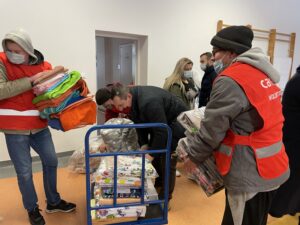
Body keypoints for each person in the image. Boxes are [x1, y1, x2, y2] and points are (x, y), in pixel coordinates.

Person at [184, 25, 290, 225]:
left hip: (250, 171)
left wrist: (193, 156)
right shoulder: (262, 73)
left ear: (230, 52)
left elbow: (212, 130)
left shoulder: (231, 80)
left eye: (215, 52)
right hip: (272, 164)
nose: (212, 58)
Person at [0, 28, 76, 225]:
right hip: (14, 128)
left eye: (18, 51)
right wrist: (31, 80)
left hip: (39, 126)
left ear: (28, 50)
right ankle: (32, 209)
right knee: (24, 172)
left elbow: (50, 93)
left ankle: (53, 201)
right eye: (9, 50)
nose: (13, 54)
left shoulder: (45, 65)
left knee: (51, 161)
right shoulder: (1, 62)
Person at [109, 84, 187, 204]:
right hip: (163, 124)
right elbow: (139, 124)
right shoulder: (133, 99)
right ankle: (159, 181)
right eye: (117, 106)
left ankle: (165, 199)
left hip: (178, 123)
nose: (120, 109)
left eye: (121, 105)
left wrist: (150, 155)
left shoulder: (149, 102)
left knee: (167, 159)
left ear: (128, 96)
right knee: (154, 151)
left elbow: (162, 131)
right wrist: (144, 144)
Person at [269, 65, 300, 220]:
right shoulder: (298, 82)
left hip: (292, 138)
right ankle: (278, 209)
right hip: (294, 140)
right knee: (290, 179)